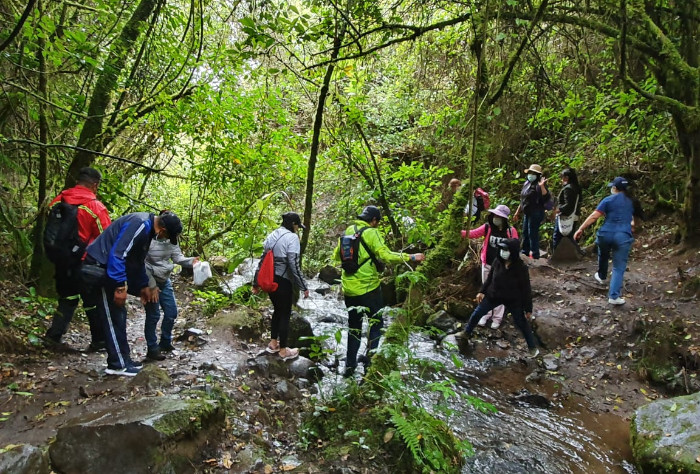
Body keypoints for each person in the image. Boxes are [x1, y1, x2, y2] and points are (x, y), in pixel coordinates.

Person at [83, 211, 181, 376]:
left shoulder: (147, 230)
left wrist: (143, 286)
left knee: (119, 314)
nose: (164, 239)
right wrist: (120, 286)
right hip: (100, 269)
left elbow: (135, 261)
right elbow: (118, 254)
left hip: (109, 271)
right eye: (166, 236)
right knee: (112, 316)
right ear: (162, 230)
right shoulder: (140, 224)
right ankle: (117, 365)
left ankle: (124, 360)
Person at [333, 205, 426, 377]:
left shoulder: (349, 230)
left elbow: (337, 256)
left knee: (354, 328)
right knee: (376, 324)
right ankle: (370, 365)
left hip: (349, 290)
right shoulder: (371, 232)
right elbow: (386, 256)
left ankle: (349, 367)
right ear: (374, 220)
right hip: (369, 288)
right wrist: (411, 257)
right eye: (377, 222)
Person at [45, 167, 111, 350]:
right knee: (92, 302)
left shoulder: (58, 200)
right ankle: (99, 340)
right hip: (84, 262)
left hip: (60, 259)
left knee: (66, 297)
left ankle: (54, 336)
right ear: (95, 185)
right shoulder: (95, 207)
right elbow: (106, 237)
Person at [460, 238, 539, 357]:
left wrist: (528, 309)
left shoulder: (521, 268)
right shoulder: (497, 261)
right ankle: (466, 334)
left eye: (506, 249)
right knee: (477, 313)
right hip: (494, 295)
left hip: (513, 300)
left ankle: (532, 348)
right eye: (501, 249)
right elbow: (490, 278)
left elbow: (526, 289)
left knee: (521, 323)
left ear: (513, 251)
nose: (503, 252)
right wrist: (482, 291)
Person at [574, 176, 643, 305]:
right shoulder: (632, 201)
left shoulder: (608, 200)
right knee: (618, 267)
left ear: (615, 188)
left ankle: (601, 275)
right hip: (622, 236)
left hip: (605, 234)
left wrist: (581, 229)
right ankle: (614, 296)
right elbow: (636, 220)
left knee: (603, 253)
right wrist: (632, 226)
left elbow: (595, 216)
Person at [252, 212, 309, 362]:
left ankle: (273, 343)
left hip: (269, 280)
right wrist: (303, 286)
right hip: (283, 281)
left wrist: (256, 282)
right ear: (293, 224)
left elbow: (262, 261)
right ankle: (284, 350)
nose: (298, 229)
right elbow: (293, 264)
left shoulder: (272, 235)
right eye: (298, 225)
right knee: (285, 313)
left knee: (277, 311)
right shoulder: (292, 238)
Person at [143, 211, 197, 361]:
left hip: (164, 280)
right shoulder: (148, 238)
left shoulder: (171, 240)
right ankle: (152, 349)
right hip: (150, 281)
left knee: (171, 312)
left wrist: (192, 261)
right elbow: (141, 263)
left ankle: (165, 342)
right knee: (153, 315)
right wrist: (150, 285)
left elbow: (177, 257)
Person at [461, 204, 519, 329]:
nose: (496, 218)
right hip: (487, 263)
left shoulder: (510, 231)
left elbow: (515, 247)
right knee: (486, 290)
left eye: (499, 216)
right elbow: (472, 234)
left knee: (500, 291)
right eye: (495, 215)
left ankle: (497, 318)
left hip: (502, 267)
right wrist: (457, 232)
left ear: (504, 218)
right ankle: (485, 315)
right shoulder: (487, 227)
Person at [513, 164, 550, 259]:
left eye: (533, 173)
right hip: (527, 212)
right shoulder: (526, 184)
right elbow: (522, 200)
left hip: (536, 212)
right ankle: (525, 252)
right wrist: (517, 212)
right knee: (525, 232)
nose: (531, 175)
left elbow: (546, 197)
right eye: (530, 172)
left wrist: (542, 186)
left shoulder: (540, 185)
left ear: (538, 175)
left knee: (532, 233)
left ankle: (535, 254)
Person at [552, 168, 583, 250]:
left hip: (566, 216)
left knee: (557, 236)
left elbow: (569, 204)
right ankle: (577, 252)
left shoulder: (568, 188)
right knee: (569, 236)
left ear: (567, 177)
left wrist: (559, 209)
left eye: (563, 177)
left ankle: (555, 256)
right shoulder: (576, 187)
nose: (562, 179)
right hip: (574, 215)